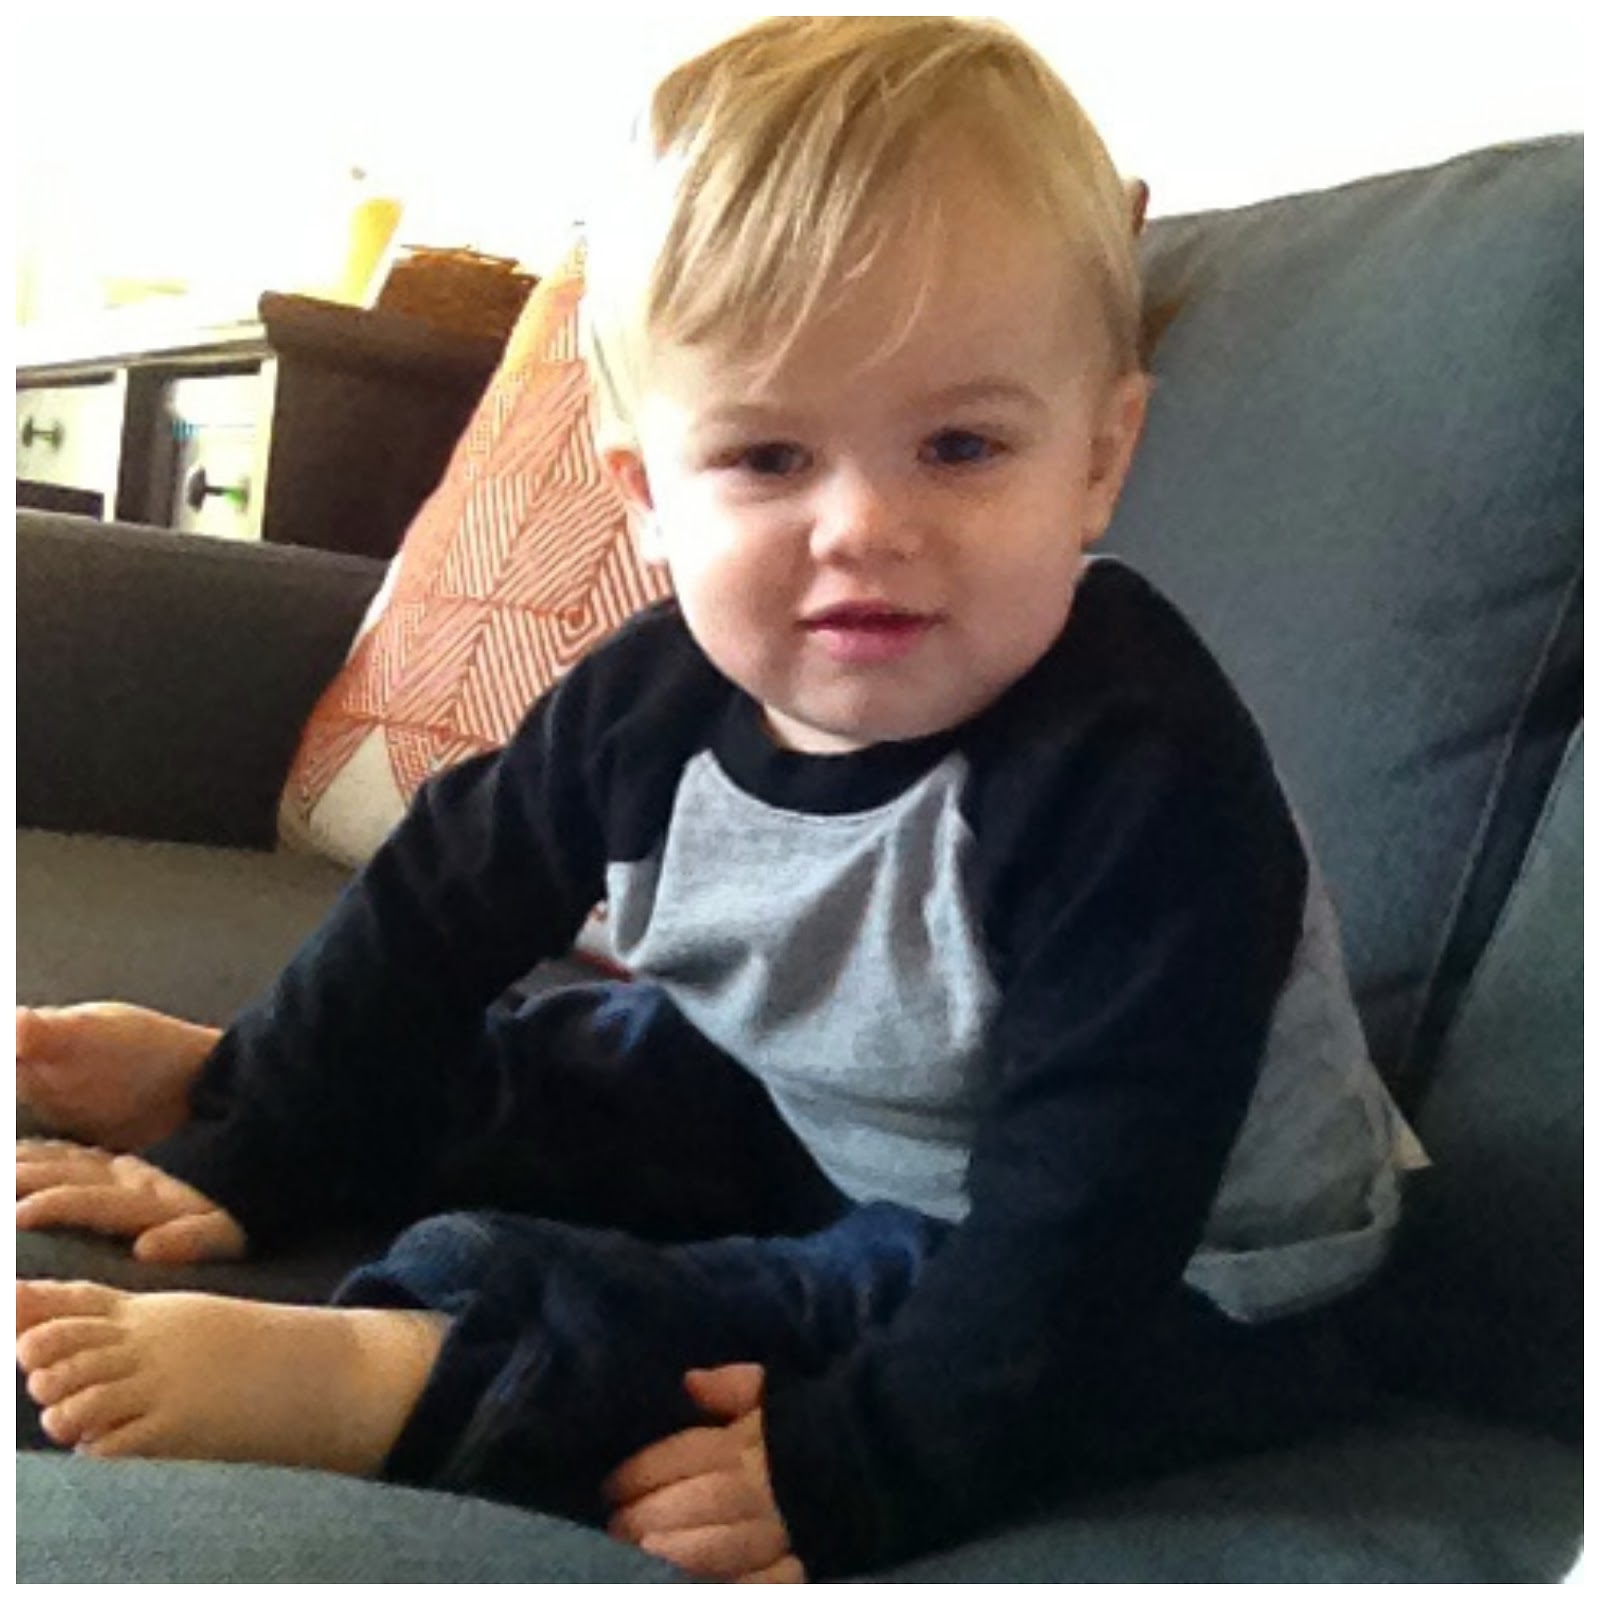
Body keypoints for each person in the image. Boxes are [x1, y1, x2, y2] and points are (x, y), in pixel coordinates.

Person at [15, 16, 1421, 1583]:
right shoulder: (650, 701)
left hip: (1172, 1266)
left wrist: (861, 1467)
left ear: (1098, 459)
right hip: (835, 1108)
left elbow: (1085, 1214)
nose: (865, 524)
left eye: (960, 445)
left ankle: (407, 1365)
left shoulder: (1139, 769)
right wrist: (263, 1132)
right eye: (767, 457)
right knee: (609, 1056)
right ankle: (258, 1078)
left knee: (806, 1300)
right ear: (647, 497)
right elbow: (437, 907)